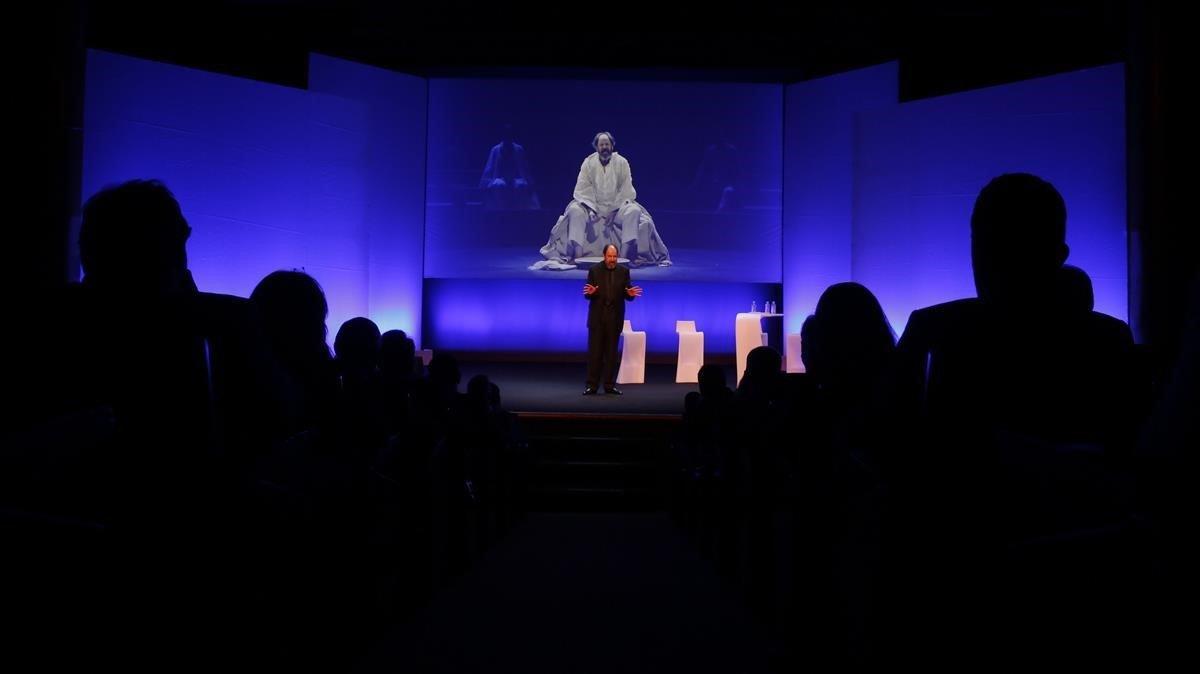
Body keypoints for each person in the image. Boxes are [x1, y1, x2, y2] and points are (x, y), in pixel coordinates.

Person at [531, 131, 671, 270]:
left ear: (612, 146)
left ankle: (623, 257)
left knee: (634, 210)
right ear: (596, 147)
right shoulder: (588, 162)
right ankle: (578, 256)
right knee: (574, 210)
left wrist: (614, 210)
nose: (605, 147)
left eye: (607, 144)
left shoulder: (622, 162)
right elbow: (583, 188)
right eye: (602, 144)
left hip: (617, 209)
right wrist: (591, 209)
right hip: (593, 208)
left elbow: (626, 189)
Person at [582, 244, 642, 394]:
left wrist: (630, 295)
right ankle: (592, 386)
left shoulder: (624, 271)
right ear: (604, 256)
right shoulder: (594, 271)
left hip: (614, 319)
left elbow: (627, 294)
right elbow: (587, 294)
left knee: (611, 354)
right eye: (610, 256)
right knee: (595, 354)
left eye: (615, 257)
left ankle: (609, 385)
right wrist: (592, 293)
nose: (612, 260)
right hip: (597, 319)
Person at [478, 123, 539, 210]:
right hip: (499, 180)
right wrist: (488, 183)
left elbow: (524, 169)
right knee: (499, 185)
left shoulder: (519, 150)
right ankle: (499, 212)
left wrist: (529, 183)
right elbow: (489, 170)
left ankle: (519, 212)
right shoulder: (495, 150)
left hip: (517, 180)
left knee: (521, 185)